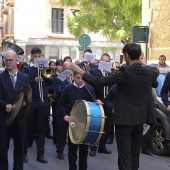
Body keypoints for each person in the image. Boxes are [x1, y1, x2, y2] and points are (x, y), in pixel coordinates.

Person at [67, 43, 158, 170]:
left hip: (124, 120)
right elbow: (155, 82)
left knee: (125, 156)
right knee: (135, 154)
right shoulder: (148, 71)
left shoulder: (125, 71)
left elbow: (100, 82)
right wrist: (141, 62)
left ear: (126, 55)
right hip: (140, 120)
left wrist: (80, 71)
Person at [58, 71, 102, 170]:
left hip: (85, 122)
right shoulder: (68, 89)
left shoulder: (89, 88)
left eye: (82, 78)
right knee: (72, 148)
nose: (80, 80)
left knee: (84, 149)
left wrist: (97, 102)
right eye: (77, 78)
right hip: (72, 121)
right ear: (73, 77)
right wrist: (65, 115)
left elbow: (93, 103)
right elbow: (61, 104)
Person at [0, 51, 30, 170]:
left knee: (19, 149)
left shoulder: (25, 77)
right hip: (4, 119)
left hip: (20, 119)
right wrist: (4, 106)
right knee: (2, 149)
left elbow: (27, 97)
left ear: (16, 60)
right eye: (6, 60)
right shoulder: (1, 77)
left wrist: (21, 107)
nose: (7, 62)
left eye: (10, 60)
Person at [22, 47, 52, 163]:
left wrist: (45, 73)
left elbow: (51, 83)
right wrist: (34, 80)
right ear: (31, 57)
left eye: (39, 56)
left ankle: (40, 154)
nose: (38, 58)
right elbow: (24, 85)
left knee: (41, 129)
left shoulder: (45, 69)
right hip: (31, 101)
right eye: (35, 56)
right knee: (29, 128)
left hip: (43, 101)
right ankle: (23, 152)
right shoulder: (27, 69)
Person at [89, 53, 112, 156]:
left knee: (107, 126)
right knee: (96, 125)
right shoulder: (93, 71)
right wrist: (95, 100)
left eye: (108, 62)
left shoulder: (112, 74)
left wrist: (110, 75)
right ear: (99, 61)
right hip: (97, 101)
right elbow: (91, 87)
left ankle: (102, 146)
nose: (106, 63)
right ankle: (93, 147)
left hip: (108, 102)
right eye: (104, 61)